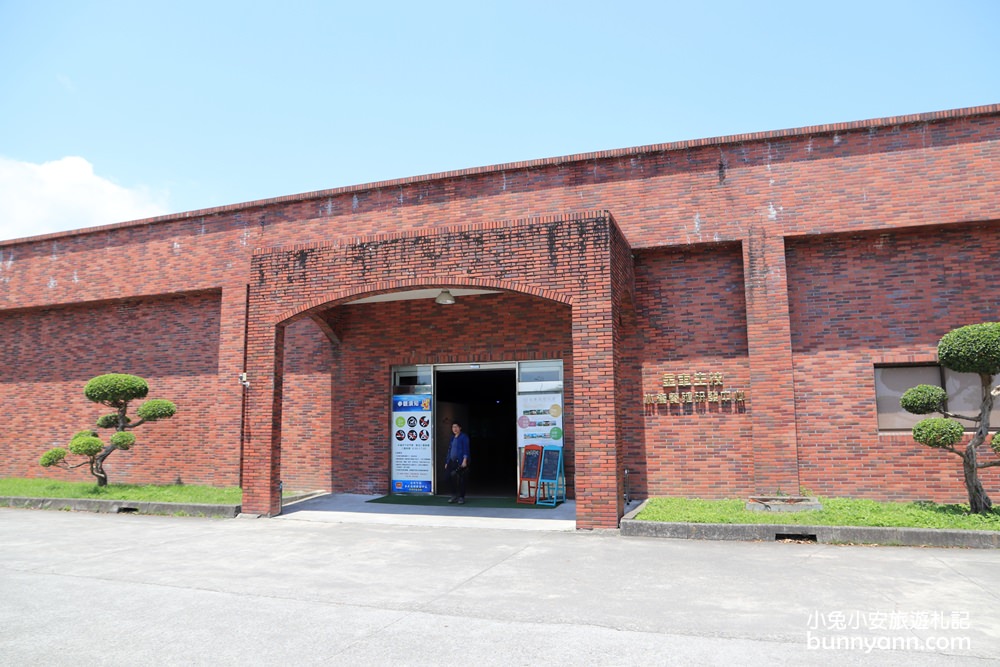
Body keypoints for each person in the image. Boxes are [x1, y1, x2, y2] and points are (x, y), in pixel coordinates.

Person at [445, 421, 470, 504]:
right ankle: (454, 496)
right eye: (453, 427)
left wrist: (465, 460)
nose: (454, 429)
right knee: (451, 478)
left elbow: (466, 449)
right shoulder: (452, 437)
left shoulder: (464, 437)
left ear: (460, 428)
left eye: (456, 427)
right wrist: (447, 461)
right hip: (452, 461)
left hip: (460, 461)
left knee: (462, 479)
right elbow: (449, 450)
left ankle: (461, 497)